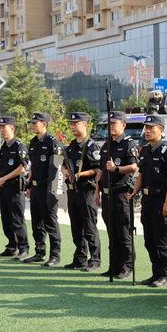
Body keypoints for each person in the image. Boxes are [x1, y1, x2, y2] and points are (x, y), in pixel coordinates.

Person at [127, 114, 167, 287]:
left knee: (162, 240)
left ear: (161, 130)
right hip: (147, 200)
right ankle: (156, 273)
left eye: (151, 128)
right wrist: (134, 191)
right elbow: (140, 174)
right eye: (146, 128)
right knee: (149, 240)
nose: (147, 131)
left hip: (161, 200)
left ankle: (166, 274)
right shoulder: (145, 150)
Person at [94, 111, 139, 279]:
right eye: (110, 123)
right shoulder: (106, 145)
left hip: (121, 193)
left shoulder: (129, 144)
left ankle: (127, 266)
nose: (111, 126)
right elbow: (100, 171)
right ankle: (114, 265)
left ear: (123, 125)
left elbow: (134, 167)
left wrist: (117, 169)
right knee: (112, 232)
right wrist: (97, 191)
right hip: (106, 194)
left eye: (115, 123)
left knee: (123, 232)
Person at [62, 112, 102, 272]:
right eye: (71, 124)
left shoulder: (92, 146)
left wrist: (80, 174)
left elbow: (97, 169)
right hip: (73, 192)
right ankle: (80, 258)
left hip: (86, 191)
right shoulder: (71, 146)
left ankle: (95, 259)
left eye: (76, 124)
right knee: (76, 227)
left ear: (85, 124)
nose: (73, 126)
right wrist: (65, 171)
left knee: (89, 226)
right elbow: (64, 164)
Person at [24, 112, 64, 267]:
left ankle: (55, 255)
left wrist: (53, 191)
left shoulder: (53, 142)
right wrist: (29, 185)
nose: (33, 125)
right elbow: (33, 166)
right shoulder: (33, 142)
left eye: (36, 123)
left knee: (50, 221)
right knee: (37, 222)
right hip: (35, 188)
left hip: (49, 188)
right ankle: (40, 252)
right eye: (32, 123)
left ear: (44, 124)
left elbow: (57, 168)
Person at [0, 116, 30, 260]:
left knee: (17, 219)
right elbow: (0, 165)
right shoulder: (4, 145)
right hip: (3, 189)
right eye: (0, 127)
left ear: (12, 128)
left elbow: (22, 168)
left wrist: (3, 179)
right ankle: (11, 246)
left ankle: (23, 248)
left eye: (4, 127)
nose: (2, 130)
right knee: (6, 219)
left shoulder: (19, 145)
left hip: (15, 188)